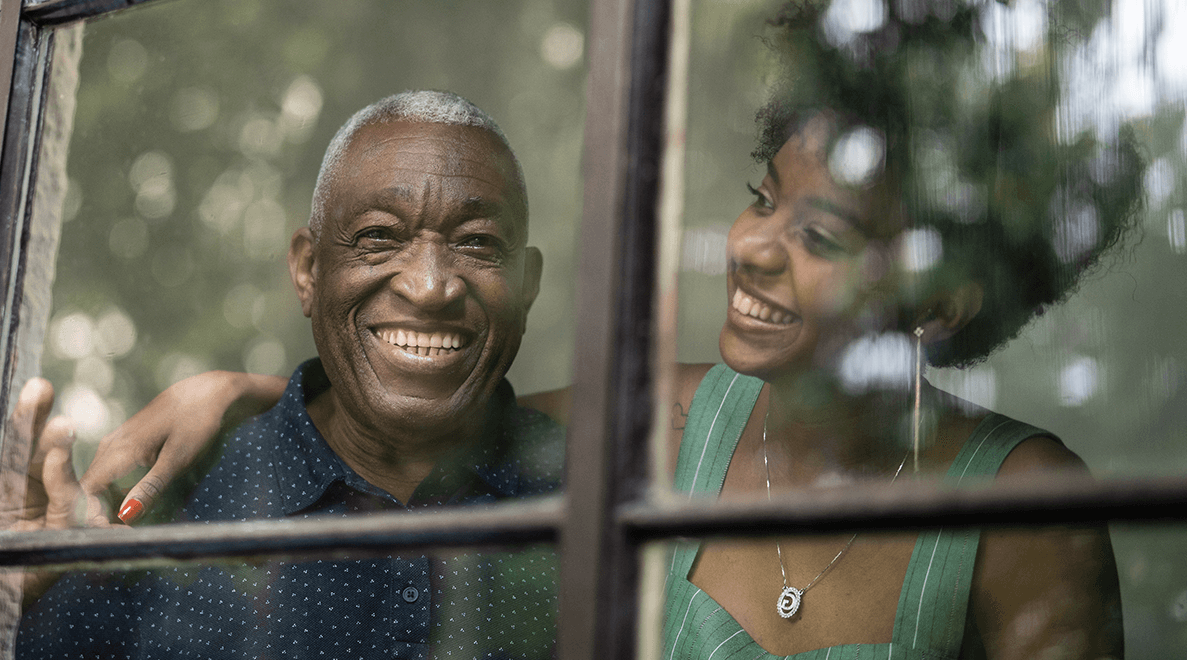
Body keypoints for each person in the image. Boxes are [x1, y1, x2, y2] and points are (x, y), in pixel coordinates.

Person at [93, 4, 1142, 658]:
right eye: (759, 196)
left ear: (940, 297)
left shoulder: (1027, 522)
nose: (750, 247)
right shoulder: (663, 423)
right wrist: (237, 395)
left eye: (816, 232)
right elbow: (412, 423)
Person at [0, 91, 565, 659]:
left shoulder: (600, 492)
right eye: (378, 237)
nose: (429, 287)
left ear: (527, 283)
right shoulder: (169, 502)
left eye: (477, 242)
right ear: (309, 268)